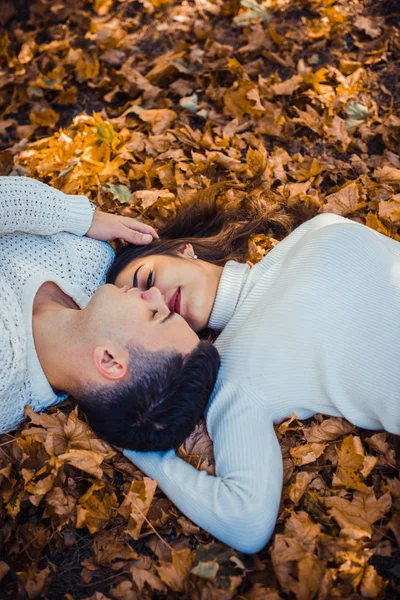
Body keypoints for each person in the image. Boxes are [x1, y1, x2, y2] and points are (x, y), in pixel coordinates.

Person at [107, 186, 400, 553]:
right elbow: (246, 520)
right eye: (144, 313)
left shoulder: (311, 231)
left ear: (181, 249)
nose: (159, 299)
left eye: (148, 280)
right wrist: (146, 452)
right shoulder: (232, 376)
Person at [0, 176, 219, 449]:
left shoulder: (5, 370)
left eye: (155, 313)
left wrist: (79, 216)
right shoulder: (93, 262)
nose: (154, 295)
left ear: (109, 360)